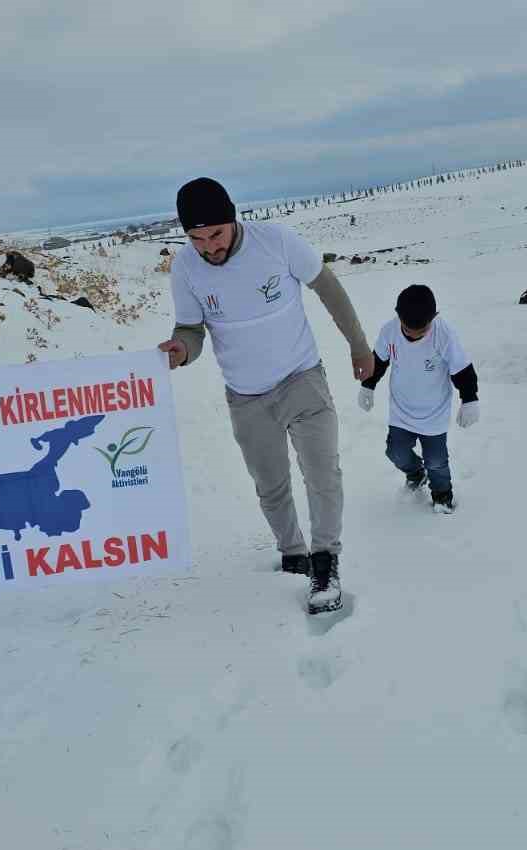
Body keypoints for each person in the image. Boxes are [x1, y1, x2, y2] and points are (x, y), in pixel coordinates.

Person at [157, 177, 371, 614]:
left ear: (233, 219)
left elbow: (327, 288)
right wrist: (180, 351)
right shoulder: (185, 267)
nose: (208, 247)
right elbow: (190, 330)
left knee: (322, 473)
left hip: (301, 378)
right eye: (196, 238)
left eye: (215, 234)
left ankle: (325, 562)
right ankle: (293, 555)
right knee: (270, 486)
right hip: (247, 396)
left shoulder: (276, 241)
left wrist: (358, 344)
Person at [357, 284, 480, 514]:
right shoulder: (389, 332)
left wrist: (470, 399)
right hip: (401, 410)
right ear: (399, 317)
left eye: (421, 330)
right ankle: (416, 472)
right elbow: (379, 360)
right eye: (408, 329)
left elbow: (462, 370)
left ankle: (442, 494)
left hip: (434, 413)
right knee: (395, 451)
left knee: (436, 461)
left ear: (433, 318)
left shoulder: (444, 335)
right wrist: (368, 385)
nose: (414, 334)